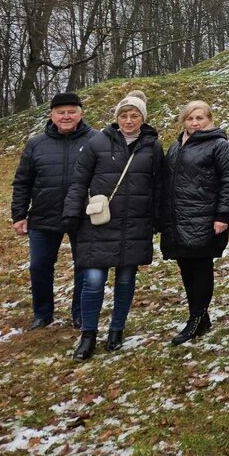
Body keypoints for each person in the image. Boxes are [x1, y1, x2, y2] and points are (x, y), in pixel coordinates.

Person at [63, 90, 164, 360]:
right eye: (123, 115)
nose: (128, 120)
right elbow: (79, 180)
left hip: (135, 223)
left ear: (142, 119)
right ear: (116, 117)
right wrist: (72, 213)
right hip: (99, 222)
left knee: (126, 279)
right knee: (93, 280)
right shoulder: (97, 142)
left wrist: (158, 219)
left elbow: (159, 186)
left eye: (134, 116)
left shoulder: (152, 146)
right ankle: (88, 334)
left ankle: (117, 329)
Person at [11, 92, 97, 330]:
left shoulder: (96, 140)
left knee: (84, 266)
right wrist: (19, 215)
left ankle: (79, 313)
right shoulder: (36, 144)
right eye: (61, 112)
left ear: (81, 114)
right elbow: (23, 181)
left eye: (71, 111)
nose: (66, 116)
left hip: (83, 216)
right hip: (43, 215)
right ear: (52, 115)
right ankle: (42, 313)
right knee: (39, 266)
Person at [160, 101, 229, 345]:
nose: (195, 123)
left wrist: (222, 215)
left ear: (209, 119)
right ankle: (200, 317)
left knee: (201, 267)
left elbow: (228, 182)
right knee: (185, 267)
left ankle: (196, 317)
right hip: (178, 218)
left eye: (200, 118)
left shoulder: (220, 146)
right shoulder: (175, 146)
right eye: (190, 118)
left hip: (204, 217)